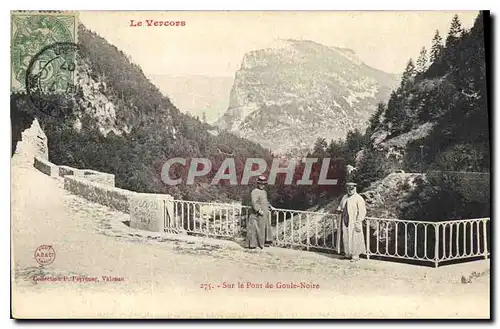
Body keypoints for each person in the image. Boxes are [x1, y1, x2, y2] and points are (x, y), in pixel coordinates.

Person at [336, 182, 367, 262]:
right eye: (349, 189)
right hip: (345, 220)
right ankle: (347, 254)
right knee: (345, 237)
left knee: (355, 239)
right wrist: (339, 209)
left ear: (355, 188)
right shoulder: (345, 197)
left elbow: (362, 211)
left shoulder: (358, 198)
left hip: (354, 222)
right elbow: (341, 205)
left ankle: (355, 256)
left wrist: (359, 221)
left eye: (352, 189)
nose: (350, 190)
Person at [246, 175, 274, 249]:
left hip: (264, 213)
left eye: (264, 184)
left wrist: (270, 206)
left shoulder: (264, 192)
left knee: (263, 228)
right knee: (257, 229)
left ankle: (264, 242)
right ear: (258, 183)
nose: (262, 185)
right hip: (257, 214)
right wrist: (258, 210)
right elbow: (254, 202)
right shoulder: (254, 191)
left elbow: (265, 201)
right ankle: (254, 245)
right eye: (261, 184)